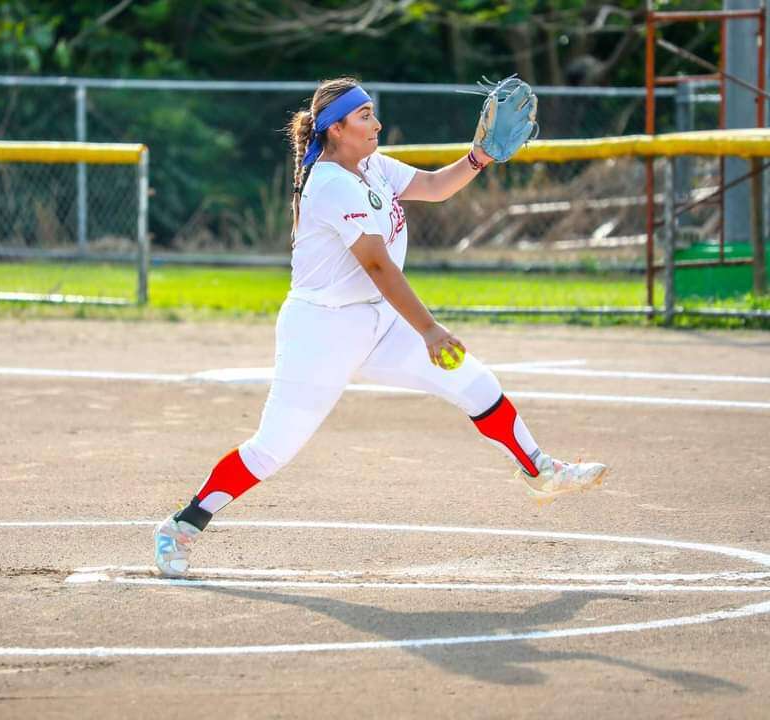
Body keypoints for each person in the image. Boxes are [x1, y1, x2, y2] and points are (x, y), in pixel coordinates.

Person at [154, 77, 606, 577]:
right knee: (272, 449)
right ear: (335, 129)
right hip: (322, 333)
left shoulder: (370, 167)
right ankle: (181, 526)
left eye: (373, 113)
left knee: (475, 382)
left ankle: (540, 468)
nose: (377, 123)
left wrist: (479, 156)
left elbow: (434, 188)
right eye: (365, 115)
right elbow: (377, 264)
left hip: (379, 320)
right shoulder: (330, 183)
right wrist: (430, 330)